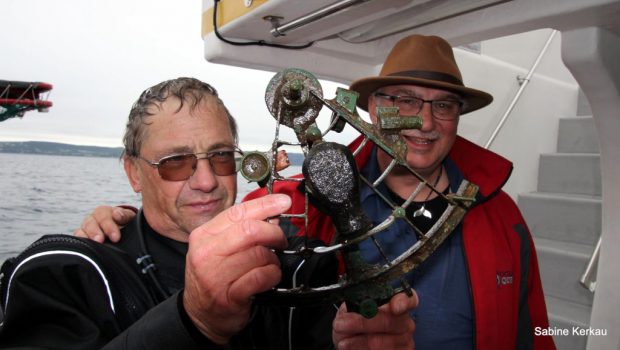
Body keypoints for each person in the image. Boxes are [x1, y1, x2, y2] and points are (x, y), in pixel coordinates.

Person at [75, 34, 556, 349]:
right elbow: (206, 228)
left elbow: (535, 327)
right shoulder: (302, 207)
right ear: (370, 108)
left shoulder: (503, 215)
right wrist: (128, 218)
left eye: (444, 106)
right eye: (404, 100)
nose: (425, 122)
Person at [0, 77, 417, 349]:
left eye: (220, 157)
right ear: (133, 173)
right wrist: (195, 322)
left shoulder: (300, 266)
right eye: (176, 162)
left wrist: (360, 339)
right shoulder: (63, 273)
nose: (205, 181)